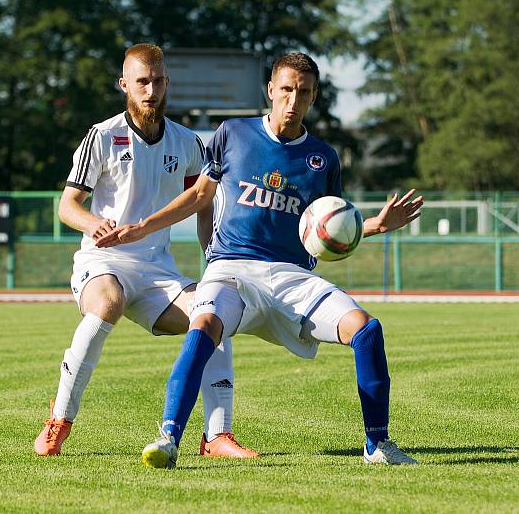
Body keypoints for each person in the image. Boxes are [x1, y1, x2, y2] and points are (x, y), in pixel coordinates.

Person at [97, 52, 423, 468]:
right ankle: (169, 437)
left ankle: (377, 444)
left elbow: (327, 230)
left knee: (366, 329)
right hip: (231, 268)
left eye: (303, 92)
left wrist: (373, 224)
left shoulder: (324, 158)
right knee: (203, 325)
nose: (292, 100)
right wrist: (143, 227)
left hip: (292, 278)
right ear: (270, 90)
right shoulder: (232, 133)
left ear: (313, 97)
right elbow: (199, 196)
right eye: (285, 89)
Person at [33, 43, 257, 459]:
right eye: (141, 82)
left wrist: (213, 257)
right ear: (124, 85)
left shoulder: (189, 142)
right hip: (102, 262)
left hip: (158, 270)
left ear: (167, 83)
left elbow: (201, 200)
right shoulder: (102, 135)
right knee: (108, 305)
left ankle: (217, 436)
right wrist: (92, 223)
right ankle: (59, 420)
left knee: (214, 314)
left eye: (157, 81)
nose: (150, 90)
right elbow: (67, 206)